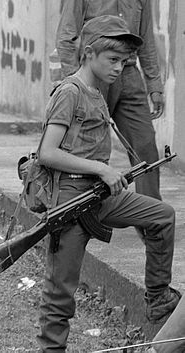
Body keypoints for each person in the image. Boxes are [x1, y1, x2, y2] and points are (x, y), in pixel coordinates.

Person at [37, 15, 180, 352]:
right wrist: (101, 169)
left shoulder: (97, 92)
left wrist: (106, 175)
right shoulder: (70, 91)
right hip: (71, 200)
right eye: (113, 60)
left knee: (162, 216)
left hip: (97, 196)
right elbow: (47, 152)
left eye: (125, 62)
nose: (120, 68)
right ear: (88, 53)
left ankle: (158, 297)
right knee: (60, 294)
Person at [55, 0, 164, 201]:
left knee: (145, 145)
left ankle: (152, 219)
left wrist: (154, 84)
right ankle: (75, 207)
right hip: (94, 75)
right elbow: (66, 36)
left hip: (129, 74)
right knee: (86, 147)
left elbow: (146, 39)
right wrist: (78, 81)